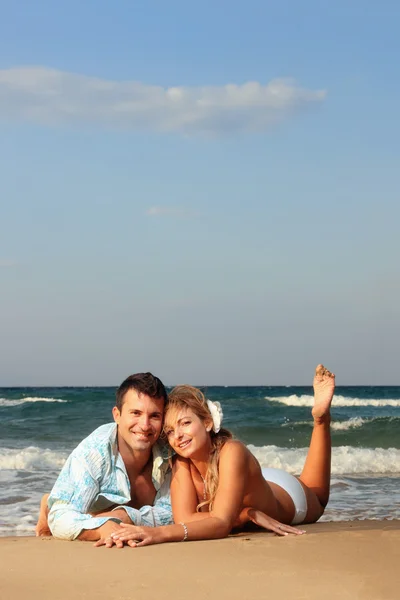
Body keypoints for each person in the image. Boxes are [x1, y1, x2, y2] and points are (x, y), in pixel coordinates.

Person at [101, 364, 335, 547]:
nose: (178, 436)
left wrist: (156, 533)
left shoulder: (232, 451)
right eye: (170, 431)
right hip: (257, 482)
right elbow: (184, 518)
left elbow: (220, 524)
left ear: (207, 422)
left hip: (290, 497)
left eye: (185, 423)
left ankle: (320, 420)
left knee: (319, 494)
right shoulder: (182, 462)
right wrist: (245, 514)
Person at [35, 372, 173, 542]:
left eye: (154, 416)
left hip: (118, 511)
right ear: (117, 415)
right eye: (135, 413)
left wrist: (121, 517)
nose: (145, 425)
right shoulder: (94, 451)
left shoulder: (169, 453)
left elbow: (172, 513)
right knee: (71, 509)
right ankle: (52, 501)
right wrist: (101, 527)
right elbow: (60, 519)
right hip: (93, 506)